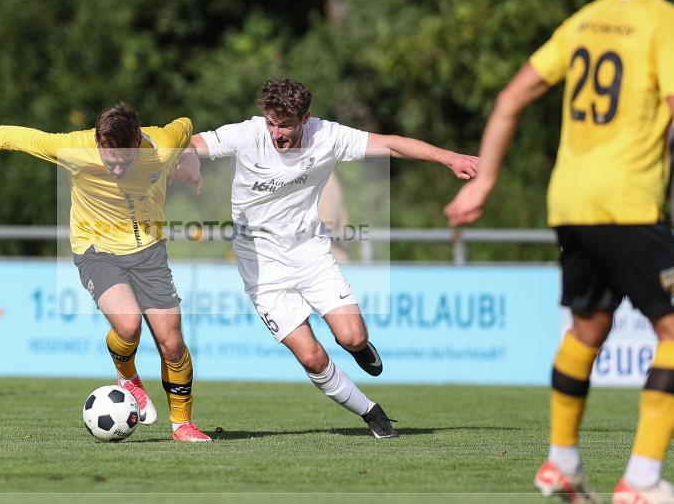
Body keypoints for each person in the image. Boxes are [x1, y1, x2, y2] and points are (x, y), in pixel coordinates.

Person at [445, 0, 674, 504]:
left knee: (589, 330)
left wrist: (487, 181)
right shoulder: (665, 24)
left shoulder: (587, 19)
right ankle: (642, 480)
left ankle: (561, 465)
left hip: (570, 203)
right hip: (628, 202)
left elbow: (510, 98)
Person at [176, 78, 478, 439]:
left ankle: (360, 346)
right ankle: (371, 412)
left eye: (285, 125)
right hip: (261, 266)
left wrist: (449, 157)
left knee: (351, 337)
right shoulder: (248, 133)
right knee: (312, 357)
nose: (276, 133)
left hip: (310, 254)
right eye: (271, 123)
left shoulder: (327, 135)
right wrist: (191, 159)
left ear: (306, 118)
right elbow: (192, 142)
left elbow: (391, 145)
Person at [0, 104, 212, 442]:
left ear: (138, 141)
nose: (117, 166)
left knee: (172, 344)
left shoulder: (162, 145)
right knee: (129, 325)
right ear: (97, 141)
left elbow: (185, 124)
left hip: (149, 251)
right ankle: (128, 379)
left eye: (125, 158)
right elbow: (4, 134)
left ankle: (182, 425)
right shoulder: (75, 148)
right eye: (110, 158)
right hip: (96, 249)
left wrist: (191, 156)